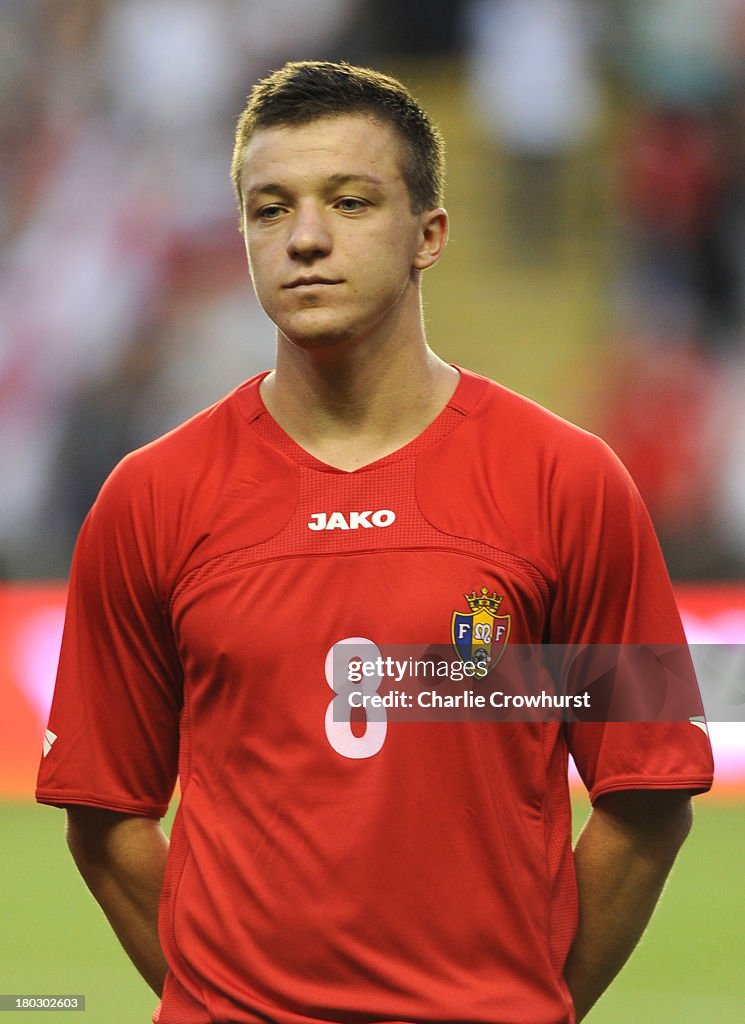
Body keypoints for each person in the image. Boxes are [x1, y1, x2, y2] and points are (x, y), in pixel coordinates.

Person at [36, 61, 714, 1024]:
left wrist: (529, 1001)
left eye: (349, 202)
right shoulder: (148, 499)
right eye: (270, 210)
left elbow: (649, 789)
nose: (305, 237)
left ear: (427, 235)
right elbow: (104, 812)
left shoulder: (572, 481)